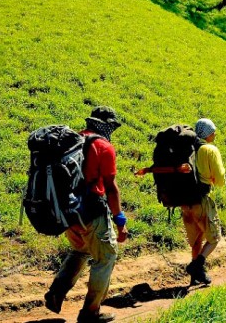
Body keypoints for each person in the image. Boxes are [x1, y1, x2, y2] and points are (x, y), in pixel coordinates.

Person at [44, 106, 128, 323]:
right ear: (107, 126)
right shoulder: (104, 146)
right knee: (106, 257)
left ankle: (56, 293)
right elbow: (111, 187)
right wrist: (120, 221)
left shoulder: (74, 140)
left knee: (80, 250)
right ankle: (91, 313)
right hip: (92, 212)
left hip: (67, 212)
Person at [181, 118, 226, 286]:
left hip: (184, 201)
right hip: (201, 200)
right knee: (214, 238)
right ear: (207, 133)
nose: (215, 133)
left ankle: (195, 277)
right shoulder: (209, 150)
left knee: (196, 240)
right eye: (212, 131)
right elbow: (220, 179)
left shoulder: (187, 148)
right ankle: (196, 266)